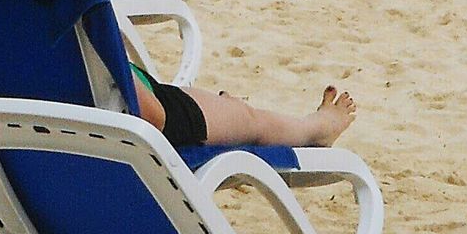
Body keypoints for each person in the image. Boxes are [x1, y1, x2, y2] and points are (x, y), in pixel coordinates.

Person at [128, 61, 356, 150]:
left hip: (135, 96)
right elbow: (152, 118)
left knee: (228, 110)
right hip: (146, 110)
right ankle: (316, 129)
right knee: (251, 120)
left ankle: (228, 109)